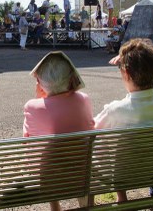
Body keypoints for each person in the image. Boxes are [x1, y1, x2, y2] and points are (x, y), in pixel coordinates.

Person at [94, 38, 153, 203]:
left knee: (109, 144)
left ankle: (121, 197)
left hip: (119, 174)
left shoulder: (115, 110)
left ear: (126, 73)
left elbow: (91, 129)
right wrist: (142, 64)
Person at [23, 51, 95, 211]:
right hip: (82, 172)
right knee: (79, 152)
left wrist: (38, 98)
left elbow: (28, 142)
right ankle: (88, 205)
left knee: (49, 156)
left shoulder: (32, 107)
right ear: (71, 79)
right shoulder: (84, 99)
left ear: (40, 83)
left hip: (51, 178)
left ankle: (55, 207)